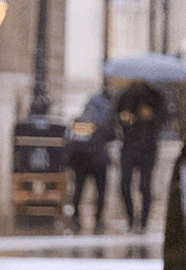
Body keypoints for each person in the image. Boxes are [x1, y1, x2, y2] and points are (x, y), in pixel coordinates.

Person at [65, 87, 116, 233]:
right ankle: (98, 219)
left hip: (81, 162)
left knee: (79, 189)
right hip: (99, 161)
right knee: (100, 190)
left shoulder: (80, 121)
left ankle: (76, 217)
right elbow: (112, 136)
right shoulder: (104, 121)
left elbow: (71, 141)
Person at [115, 81, 164, 232]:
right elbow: (115, 116)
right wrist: (124, 119)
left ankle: (143, 221)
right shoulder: (125, 95)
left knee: (145, 186)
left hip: (148, 147)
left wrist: (151, 116)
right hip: (129, 145)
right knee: (124, 183)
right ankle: (131, 218)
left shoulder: (156, 96)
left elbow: (165, 120)